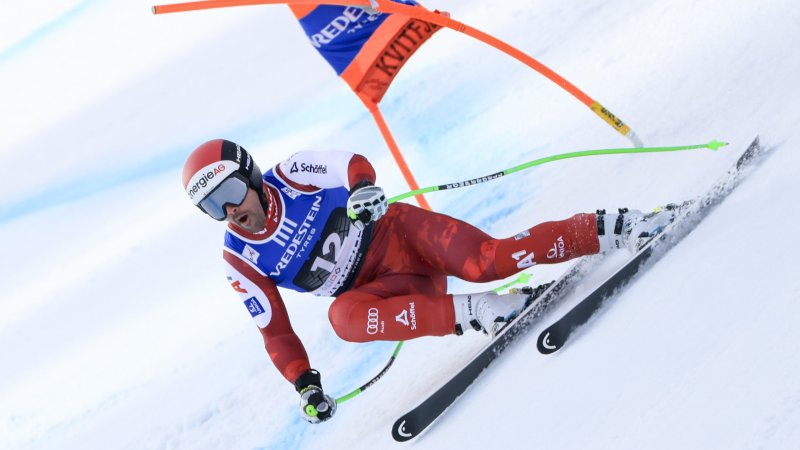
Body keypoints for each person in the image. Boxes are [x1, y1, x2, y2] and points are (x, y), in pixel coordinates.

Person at [181, 139, 675, 424]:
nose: (229, 211)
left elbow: (350, 164)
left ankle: (619, 225)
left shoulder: (290, 174)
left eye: (229, 192)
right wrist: (305, 385)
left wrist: (363, 191)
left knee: (491, 261)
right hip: (394, 291)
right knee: (342, 318)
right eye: (211, 206)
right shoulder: (239, 260)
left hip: (406, 238)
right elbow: (276, 332)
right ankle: (484, 312)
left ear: (249, 176)